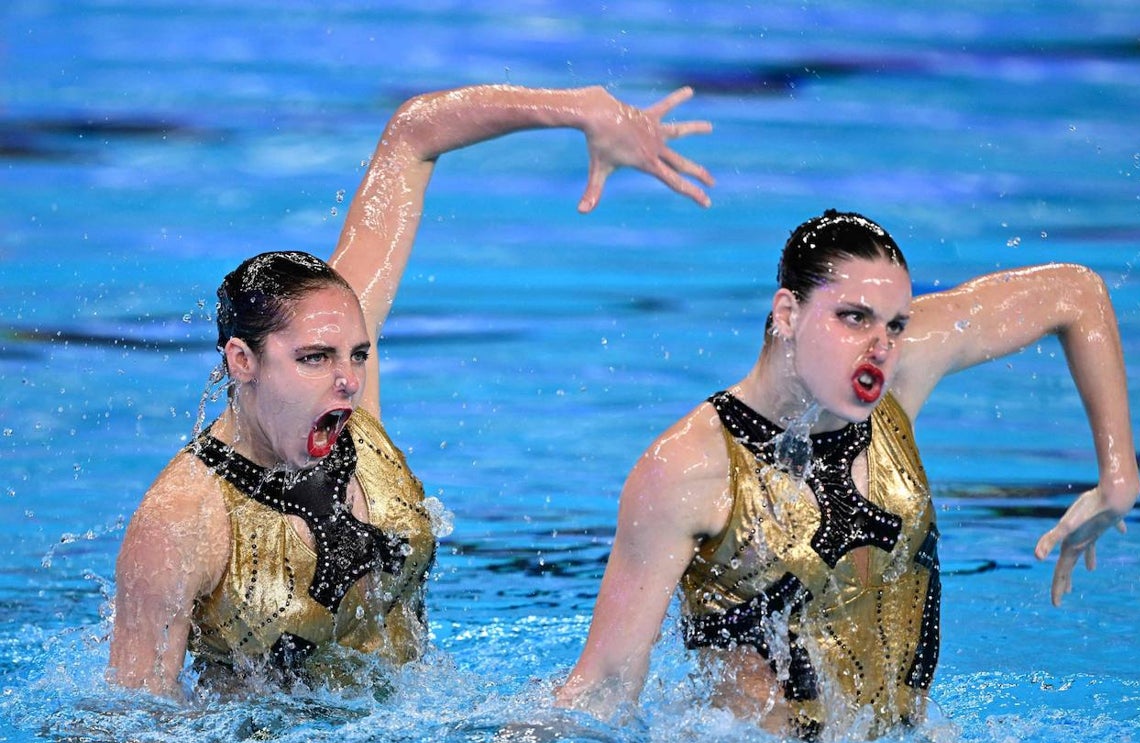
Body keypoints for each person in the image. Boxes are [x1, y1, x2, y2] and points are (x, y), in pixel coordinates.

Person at [107, 84, 714, 698]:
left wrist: (579, 107)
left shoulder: (342, 387)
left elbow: (413, 136)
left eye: (359, 354)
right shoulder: (182, 521)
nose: (348, 379)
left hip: (417, 728)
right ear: (243, 360)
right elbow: (137, 733)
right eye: (314, 358)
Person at [555, 209, 1140, 740]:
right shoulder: (687, 469)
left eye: (895, 324)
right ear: (787, 313)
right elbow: (604, 688)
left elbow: (1074, 292)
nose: (880, 346)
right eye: (853, 317)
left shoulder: (899, 374)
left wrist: (1119, 477)